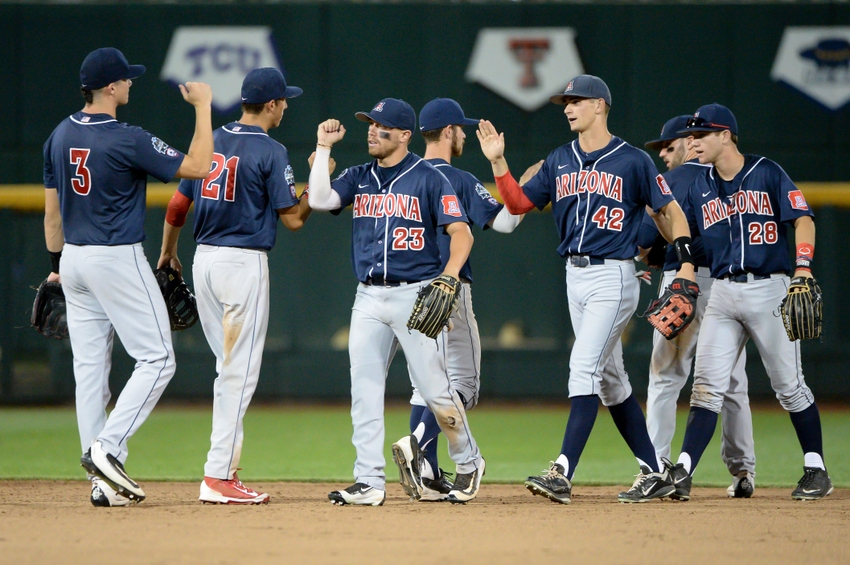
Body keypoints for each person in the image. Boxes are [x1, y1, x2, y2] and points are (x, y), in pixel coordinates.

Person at [477, 74, 697, 504]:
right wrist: (499, 164)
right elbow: (519, 204)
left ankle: (561, 472)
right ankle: (655, 471)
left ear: (600, 105)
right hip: (574, 277)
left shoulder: (633, 160)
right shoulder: (559, 158)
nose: (567, 107)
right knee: (612, 382)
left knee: (583, 369)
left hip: (613, 276)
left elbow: (669, 210)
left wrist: (686, 263)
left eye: (576, 100)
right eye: (565, 102)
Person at [42, 47, 213, 506]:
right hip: (114, 257)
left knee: (90, 375)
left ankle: (102, 485)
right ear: (111, 87)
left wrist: (57, 269)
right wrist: (202, 108)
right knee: (158, 359)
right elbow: (199, 167)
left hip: (74, 260)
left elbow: (52, 217)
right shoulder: (125, 137)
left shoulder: (58, 136)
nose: (131, 84)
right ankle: (107, 450)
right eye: (127, 79)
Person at [307, 98, 485, 505]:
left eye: (382, 126)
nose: (372, 131)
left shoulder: (428, 178)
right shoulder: (358, 176)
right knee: (364, 390)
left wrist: (449, 276)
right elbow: (319, 200)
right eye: (370, 123)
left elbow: (463, 233)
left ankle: (469, 462)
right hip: (368, 296)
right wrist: (322, 148)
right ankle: (369, 480)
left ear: (406, 135)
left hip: (416, 293)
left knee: (437, 393)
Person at [157, 67, 313, 504]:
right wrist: (313, 186)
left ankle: (222, 472)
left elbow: (177, 203)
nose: (286, 106)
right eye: (283, 100)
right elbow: (293, 220)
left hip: (203, 260)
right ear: (269, 105)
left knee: (228, 370)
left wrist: (169, 253)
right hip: (241, 264)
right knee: (237, 374)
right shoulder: (272, 150)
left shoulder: (214, 140)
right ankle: (218, 477)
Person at [663, 103, 832, 500]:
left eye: (701, 135)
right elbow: (678, 222)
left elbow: (802, 217)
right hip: (721, 291)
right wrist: (686, 263)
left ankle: (816, 468)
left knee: (789, 386)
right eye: (690, 136)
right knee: (706, 388)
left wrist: (803, 267)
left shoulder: (767, 172)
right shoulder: (699, 182)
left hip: (768, 288)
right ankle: (684, 469)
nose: (693, 142)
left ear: (725, 136)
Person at [390, 98, 524, 502]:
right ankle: (416, 442)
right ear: (448, 132)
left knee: (424, 388)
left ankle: (428, 469)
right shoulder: (459, 178)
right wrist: (499, 164)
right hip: (447, 289)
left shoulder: (401, 175)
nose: (463, 134)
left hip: (404, 293)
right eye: (460, 129)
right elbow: (506, 221)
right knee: (463, 384)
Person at [638, 115, 756, 498]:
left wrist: (654, 251)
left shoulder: (672, 181)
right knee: (733, 381)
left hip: (684, 282)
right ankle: (743, 473)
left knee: (666, 376)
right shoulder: (732, 179)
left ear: (689, 144)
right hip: (726, 283)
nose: (665, 156)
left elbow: (642, 243)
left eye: (669, 147)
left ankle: (655, 468)